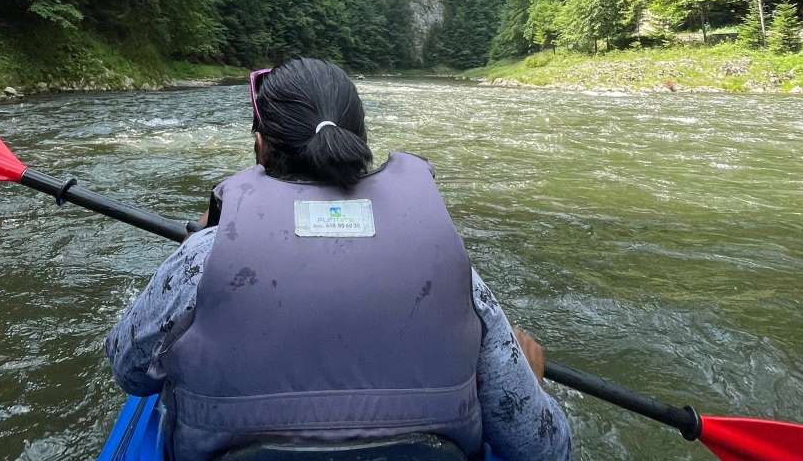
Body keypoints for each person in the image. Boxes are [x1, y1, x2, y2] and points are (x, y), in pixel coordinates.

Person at [106, 58, 572, 461]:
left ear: (261, 148)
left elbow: (129, 369)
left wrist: (206, 243)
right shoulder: (454, 269)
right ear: (358, 142)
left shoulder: (203, 258)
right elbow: (545, 448)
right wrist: (528, 383)